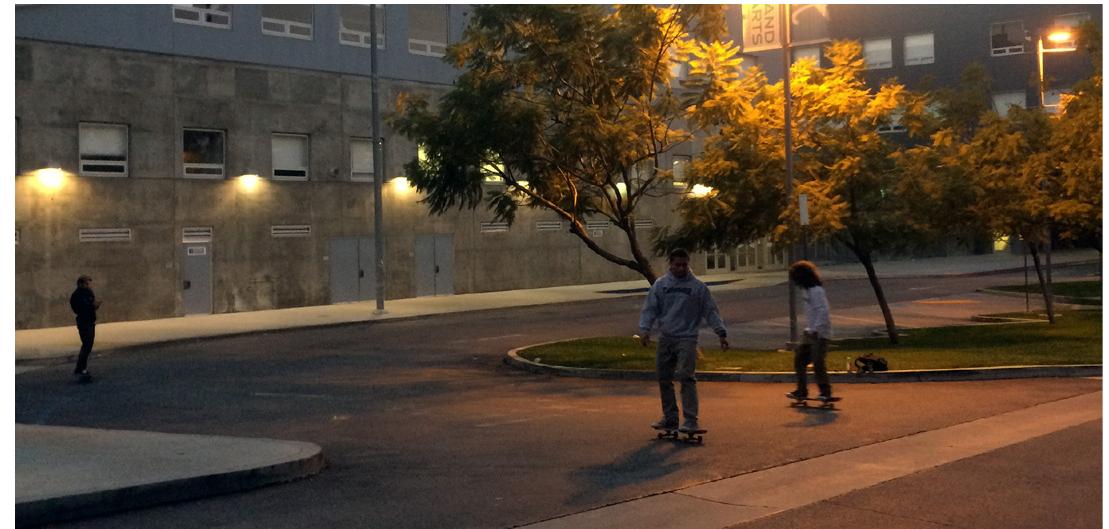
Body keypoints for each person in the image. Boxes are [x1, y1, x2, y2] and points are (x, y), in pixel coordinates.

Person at [639, 248, 729, 433]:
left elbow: (710, 311)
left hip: (687, 338)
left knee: (686, 376)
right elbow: (650, 308)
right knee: (664, 378)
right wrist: (645, 329)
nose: (681, 268)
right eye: (677, 265)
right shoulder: (661, 285)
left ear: (689, 265)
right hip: (666, 337)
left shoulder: (698, 288)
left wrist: (720, 332)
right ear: (670, 264)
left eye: (684, 265)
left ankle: (690, 419)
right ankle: (670, 417)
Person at [786, 260, 834, 402]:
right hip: (810, 332)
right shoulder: (806, 291)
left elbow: (823, 311)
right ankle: (802, 391)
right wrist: (809, 330)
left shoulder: (817, 291)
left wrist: (817, 329)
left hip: (821, 334)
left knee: (818, 361)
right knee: (799, 360)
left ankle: (825, 392)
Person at [70, 275, 101, 378]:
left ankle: (80, 368)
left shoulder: (82, 293)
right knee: (87, 345)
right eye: (86, 283)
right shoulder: (80, 294)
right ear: (80, 283)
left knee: (87, 345)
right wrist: (93, 306)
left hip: (87, 321)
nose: (88, 285)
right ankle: (81, 368)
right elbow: (86, 306)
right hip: (85, 322)